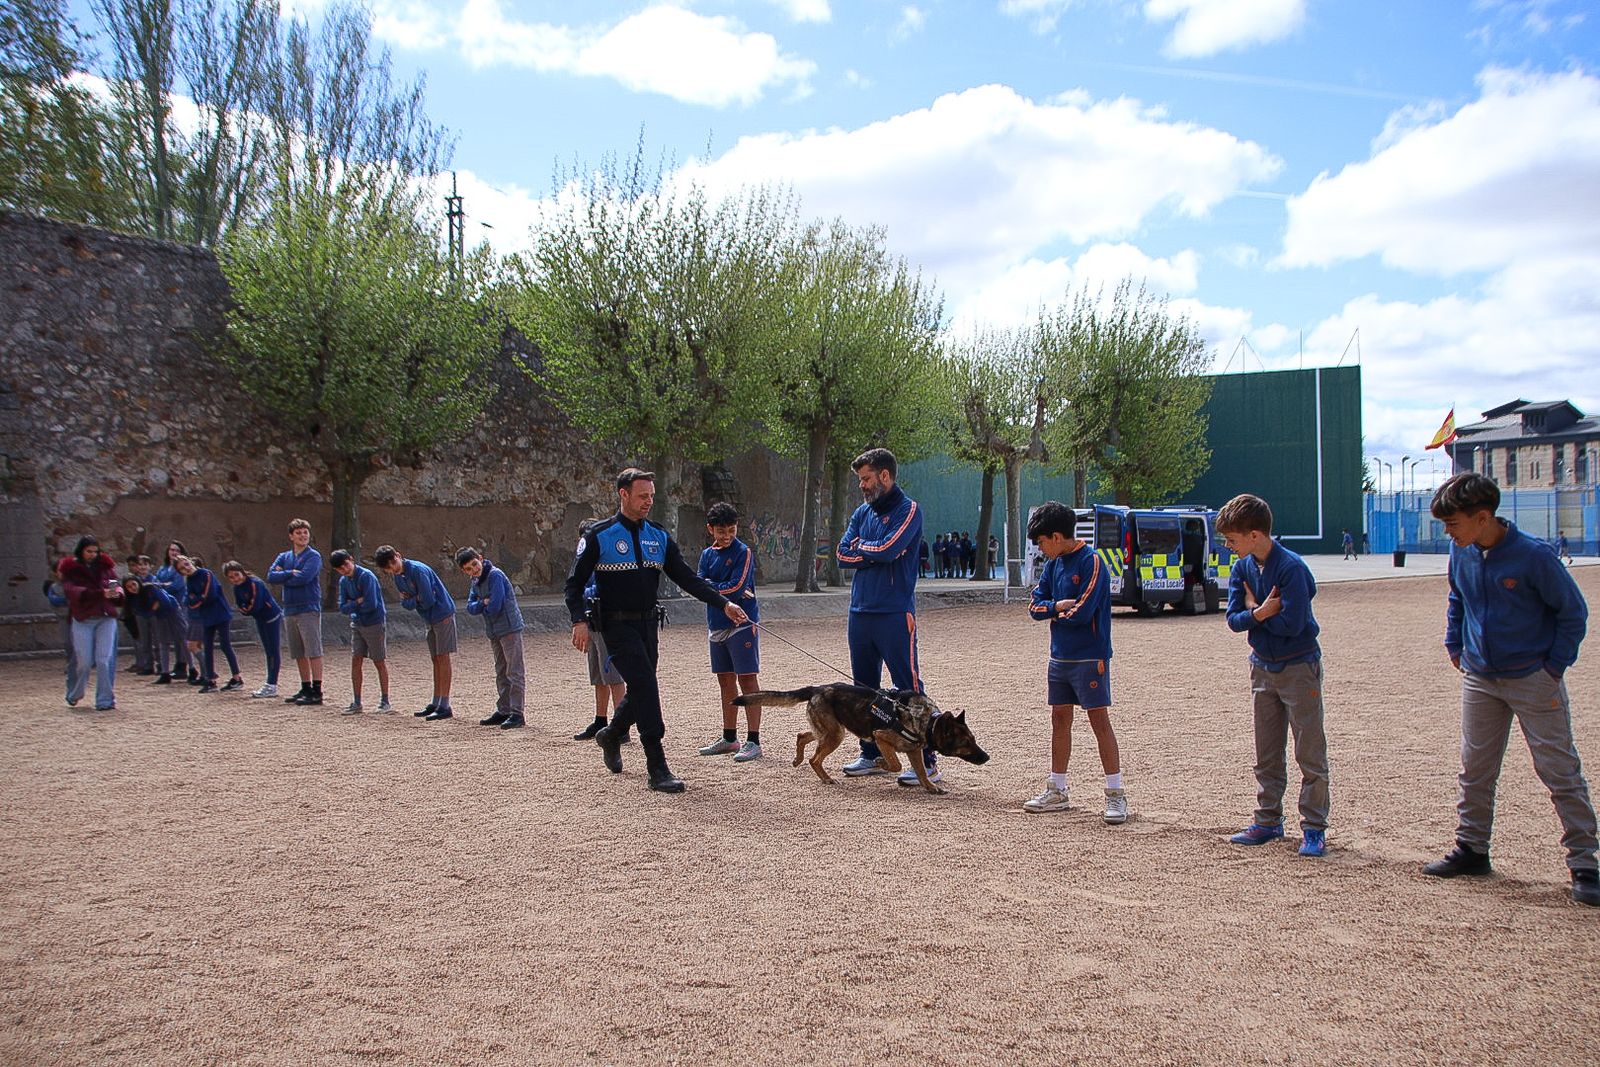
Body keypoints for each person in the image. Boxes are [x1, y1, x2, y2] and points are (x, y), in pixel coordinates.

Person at [1421, 473, 1597, 906]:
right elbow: (1457, 599)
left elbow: (1573, 613)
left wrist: (1552, 668)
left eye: (1454, 524)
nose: (1448, 533)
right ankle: (1472, 848)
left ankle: (1586, 864)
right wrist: (1455, 641)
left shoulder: (1534, 557)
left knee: (1558, 769)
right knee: (1474, 767)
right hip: (1481, 677)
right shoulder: (1460, 551)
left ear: (1483, 518)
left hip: (1532, 678)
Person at [564, 468, 749, 794]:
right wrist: (578, 621)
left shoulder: (659, 536)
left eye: (651, 495)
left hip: (649, 624)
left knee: (641, 687)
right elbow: (574, 584)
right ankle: (657, 765)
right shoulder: (599, 535)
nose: (649, 501)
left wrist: (723, 604)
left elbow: (688, 579)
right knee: (646, 685)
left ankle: (611, 734)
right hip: (616, 625)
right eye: (642, 496)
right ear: (623, 494)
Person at [1217, 494, 1330, 857]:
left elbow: (1295, 625)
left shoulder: (1292, 568)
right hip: (1262, 667)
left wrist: (1256, 613)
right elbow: (1234, 620)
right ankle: (1268, 820)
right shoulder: (1242, 569)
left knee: (1309, 752)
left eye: (1232, 539)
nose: (1228, 547)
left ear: (1254, 535)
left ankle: (1313, 828)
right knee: (1266, 752)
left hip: (1299, 667)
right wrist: (1261, 613)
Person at [1021, 502, 1127, 823]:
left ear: (1056, 536)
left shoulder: (1092, 562)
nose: (1040, 549)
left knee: (1099, 722)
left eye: (1041, 542)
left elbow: (1081, 613)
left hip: (1090, 657)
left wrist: (1056, 610)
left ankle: (1116, 794)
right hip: (1059, 658)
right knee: (1059, 720)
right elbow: (1034, 606)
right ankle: (1058, 789)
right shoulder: (1054, 565)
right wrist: (1056, 607)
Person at [835, 448, 932, 786]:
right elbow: (841, 554)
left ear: (885, 476)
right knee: (864, 689)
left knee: (909, 687)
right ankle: (871, 752)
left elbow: (889, 550)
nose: (862, 485)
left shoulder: (910, 510)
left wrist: (865, 550)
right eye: (860, 479)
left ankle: (928, 759)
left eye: (866, 479)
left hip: (894, 612)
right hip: (859, 611)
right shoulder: (861, 514)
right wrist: (873, 552)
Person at [695, 501, 763, 762]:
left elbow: (735, 587)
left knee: (747, 679)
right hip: (716, 625)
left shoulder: (743, 552)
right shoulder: (706, 555)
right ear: (710, 529)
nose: (727, 536)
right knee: (725, 681)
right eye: (721, 531)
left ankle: (754, 740)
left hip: (742, 625)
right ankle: (729, 737)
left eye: (732, 530)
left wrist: (710, 586)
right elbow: (699, 585)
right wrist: (710, 586)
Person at [375, 545, 456, 721]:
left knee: (443, 657)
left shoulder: (418, 571)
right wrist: (416, 598)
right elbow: (406, 603)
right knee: (435, 659)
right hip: (429, 618)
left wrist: (414, 599)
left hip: (442, 615)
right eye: (388, 568)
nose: (393, 568)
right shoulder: (399, 578)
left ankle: (445, 704)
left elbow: (428, 600)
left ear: (398, 555)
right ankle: (436, 701)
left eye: (393, 563)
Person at [458, 546, 527, 730]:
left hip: (509, 627)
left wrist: (481, 605)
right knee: (501, 671)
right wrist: (482, 603)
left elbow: (495, 605)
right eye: (469, 569)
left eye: (475, 564)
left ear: (480, 558)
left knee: (514, 671)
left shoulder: (495, 575)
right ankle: (504, 709)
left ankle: (517, 713)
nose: (474, 570)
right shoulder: (475, 581)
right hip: (495, 630)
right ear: (464, 571)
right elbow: (470, 607)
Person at [573, 519, 628, 742]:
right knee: (597, 676)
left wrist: (586, 593)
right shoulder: (583, 562)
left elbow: (604, 588)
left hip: (608, 622)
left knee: (614, 675)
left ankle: (621, 725)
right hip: (591, 621)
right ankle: (600, 719)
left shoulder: (609, 558)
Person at [59, 536, 121, 710]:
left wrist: (116, 593)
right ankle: (75, 693)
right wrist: (99, 593)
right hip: (83, 618)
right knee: (84, 662)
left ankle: (105, 700)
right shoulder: (71, 569)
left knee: (104, 660)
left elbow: (114, 585)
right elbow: (71, 591)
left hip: (106, 617)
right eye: (89, 551)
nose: (93, 555)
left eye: (95, 551)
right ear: (81, 551)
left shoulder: (106, 568)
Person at [267, 519, 324, 706]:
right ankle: (305, 686)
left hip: (308, 607)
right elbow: (271, 576)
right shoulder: (284, 556)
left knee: (313, 650)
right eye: (298, 533)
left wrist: (285, 575)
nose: (302, 536)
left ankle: (317, 689)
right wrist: (291, 573)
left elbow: (305, 577)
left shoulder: (313, 556)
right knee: (298, 651)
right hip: (290, 608)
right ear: (291, 536)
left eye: (305, 532)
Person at [333, 550, 391, 715]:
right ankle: (357, 701)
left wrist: (353, 605)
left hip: (374, 623)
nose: (345, 569)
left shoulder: (366, 576)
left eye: (346, 564)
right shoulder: (344, 581)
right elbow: (342, 607)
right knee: (356, 660)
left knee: (379, 661)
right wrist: (357, 603)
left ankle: (385, 700)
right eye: (341, 568)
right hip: (357, 623)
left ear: (350, 560)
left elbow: (371, 604)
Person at [178, 555, 242, 693]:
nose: (186, 568)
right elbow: (189, 600)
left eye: (186, 564)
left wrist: (197, 599)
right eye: (182, 568)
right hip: (206, 616)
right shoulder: (189, 580)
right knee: (207, 647)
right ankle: (210, 679)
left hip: (220, 613)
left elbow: (209, 595)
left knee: (225, 645)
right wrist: (196, 599)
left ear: (191, 562)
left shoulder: (206, 574)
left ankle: (237, 678)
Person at [224, 562, 283, 698]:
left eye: (237, 575)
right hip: (260, 619)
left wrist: (245, 609)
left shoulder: (255, 583)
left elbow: (254, 606)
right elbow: (240, 605)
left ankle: (272, 684)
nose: (235, 579)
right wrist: (245, 609)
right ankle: (270, 684)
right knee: (268, 650)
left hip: (271, 617)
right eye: (231, 577)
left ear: (242, 572)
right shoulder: (237, 588)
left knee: (273, 651)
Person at [123, 575, 185, 685]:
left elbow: (164, 600)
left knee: (180, 640)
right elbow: (143, 612)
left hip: (169, 613)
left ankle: (187, 668)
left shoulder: (150, 588)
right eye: (129, 587)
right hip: (157, 615)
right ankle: (161, 671)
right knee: (158, 642)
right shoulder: (133, 600)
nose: (133, 588)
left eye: (133, 584)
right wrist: (152, 609)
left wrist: (152, 610)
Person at [154, 541, 195, 683]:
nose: (173, 552)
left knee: (182, 638)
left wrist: (161, 588)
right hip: (163, 608)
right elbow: (156, 583)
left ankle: (190, 668)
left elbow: (177, 585)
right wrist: (162, 587)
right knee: (164, 640)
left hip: (178, 605)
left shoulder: (180, 569)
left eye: (176, 550)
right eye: (171, 550)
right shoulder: (163, 568)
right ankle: (165, 672)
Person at [44, 563, 79, 693]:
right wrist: (66, 599)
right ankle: (70, 662)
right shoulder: (54, 587)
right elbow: (54, 600)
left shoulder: (74, 585)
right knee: (67, 641)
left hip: (76, 616)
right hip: (63, 617)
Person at [125, 554, 157, 675]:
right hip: (140, 614)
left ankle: (160, 665)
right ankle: (147, 665)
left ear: (150, 566)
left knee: (157, 640)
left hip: (152, 613)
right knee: (144, 640)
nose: (142, 567)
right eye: (140, 564)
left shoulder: (153, 579)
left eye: (145, 564)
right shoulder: (133, 581)